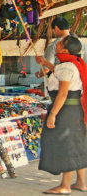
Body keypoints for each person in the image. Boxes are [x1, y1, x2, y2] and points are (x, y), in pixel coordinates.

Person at [36, 35, 87, 194]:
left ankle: (65, 186)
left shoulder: (67, 66)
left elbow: (63, 93)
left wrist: (53, 114)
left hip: (65, 110)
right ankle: (81, 183)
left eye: (60, 44)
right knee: (77, 145)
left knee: (67, 145)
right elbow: (59, 72)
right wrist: (45, 64)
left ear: (65, 50)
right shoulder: (74, 63)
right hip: (74, 110)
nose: (57, 44)